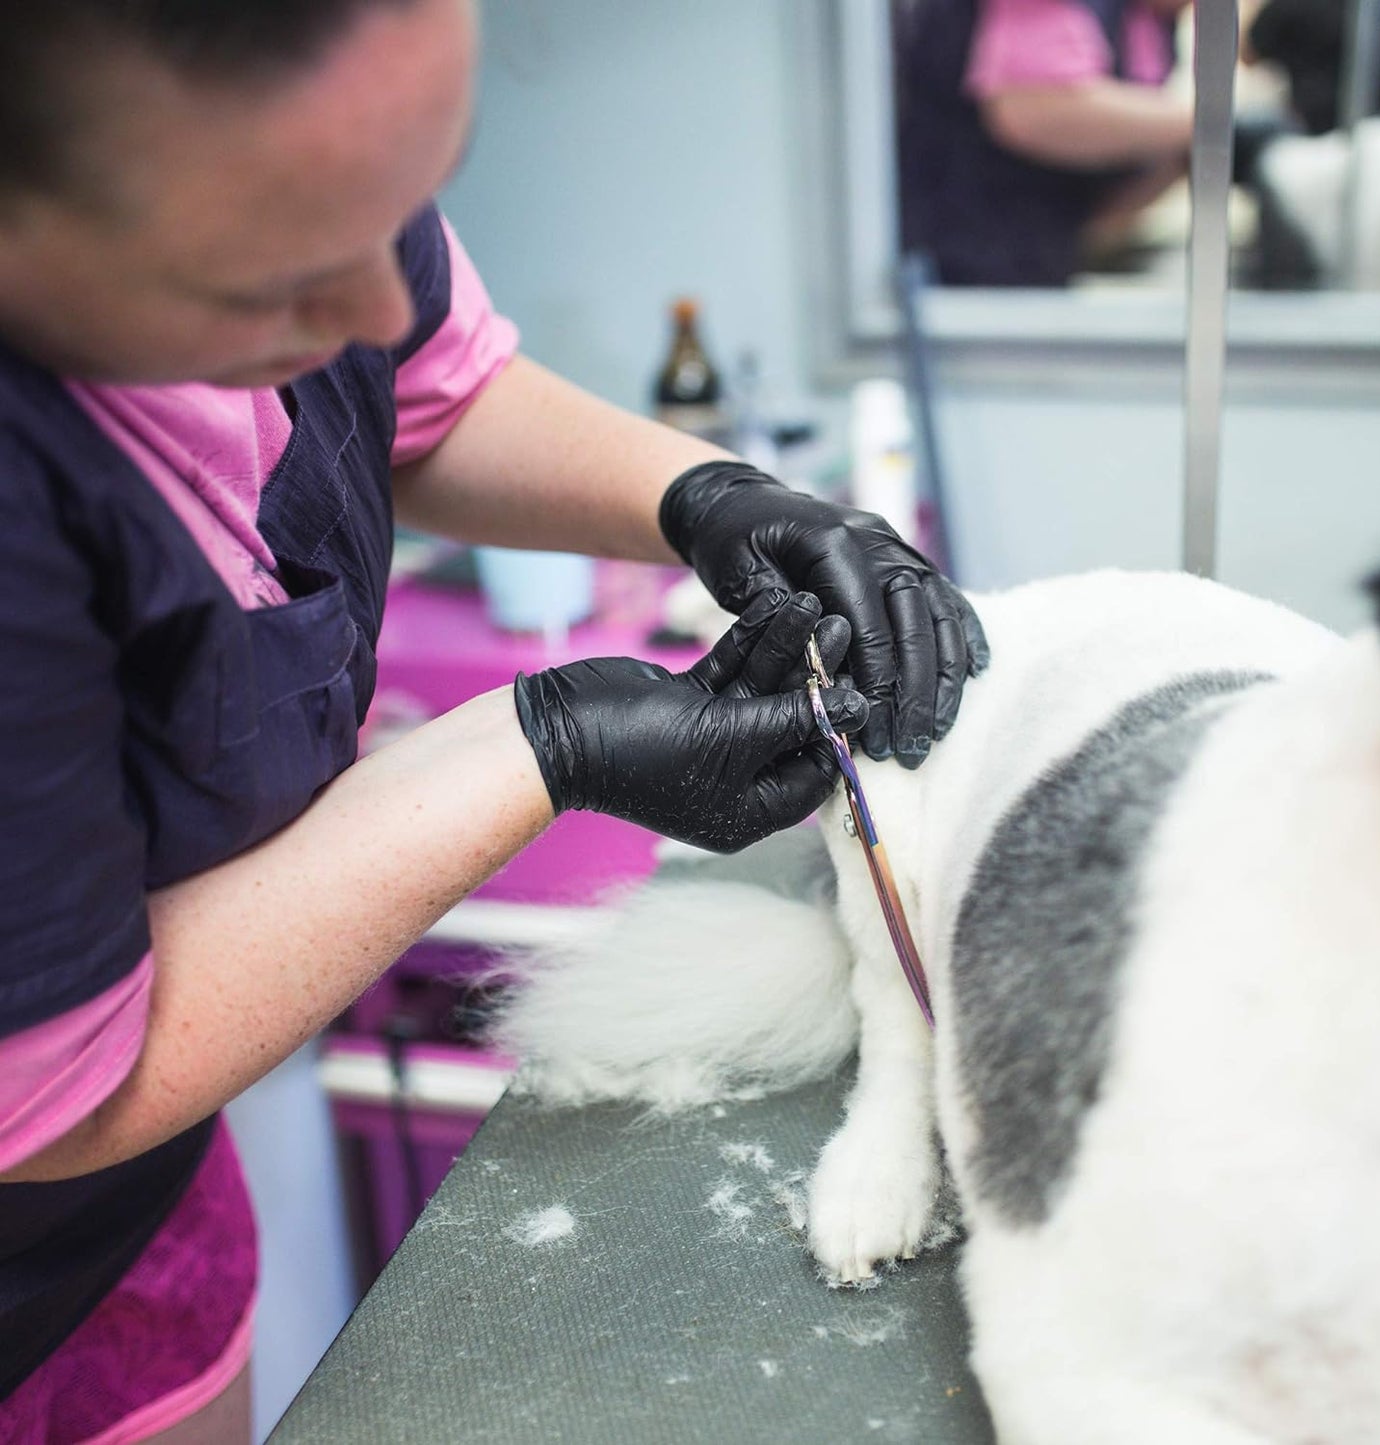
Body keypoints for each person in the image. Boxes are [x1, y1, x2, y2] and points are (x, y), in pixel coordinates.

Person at [0, 1, 987, 1439]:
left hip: (144, 1236)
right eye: (268, 284)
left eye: (406, 199)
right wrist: (544, 744)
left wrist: (711, 496)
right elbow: (58, 1086)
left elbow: (431, 390)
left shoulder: (300, 181)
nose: (378, 313)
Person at [894, 0, 1196, 286]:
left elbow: (1101, 209)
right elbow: (1030, 105)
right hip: (945, 270)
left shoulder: (1150, 23)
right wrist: (1209, 125)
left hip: (1030, 267)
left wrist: (1185, 157)